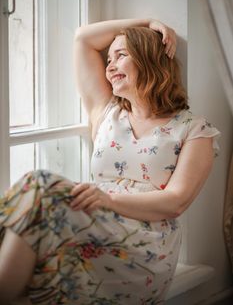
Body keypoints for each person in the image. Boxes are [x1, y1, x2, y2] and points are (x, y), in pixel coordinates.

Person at [0, 19, 220, 305]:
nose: (109, 66)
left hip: (146, 244)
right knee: (36, 195)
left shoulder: (193, 129)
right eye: (108, 58)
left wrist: (108, 200)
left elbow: (177, 200)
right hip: (94, 220)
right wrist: (148, 22)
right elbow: (83, 39)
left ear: (149, 59)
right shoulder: (107, 113)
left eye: (121, 56)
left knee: (40, 186)